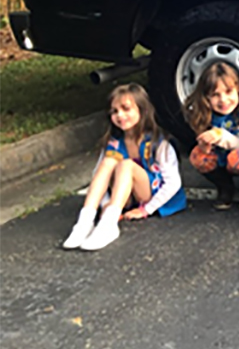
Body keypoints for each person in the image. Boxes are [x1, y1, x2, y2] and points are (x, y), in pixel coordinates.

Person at [62, 84, 185, 251]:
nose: (120, 115)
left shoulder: (159, 142)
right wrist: (105, 203)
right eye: (114, 111)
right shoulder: (114, 142)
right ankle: (85, 221)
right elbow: (98, 176)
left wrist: (146, 210)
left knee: (127, 165)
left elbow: (173, 183)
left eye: (126, 109)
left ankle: (109, 224)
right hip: (123, 198)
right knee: (108, 161)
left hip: (149, 195)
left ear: (142, 110)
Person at [184, 61, 239, 210]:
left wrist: (220, 136)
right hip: (222, 150)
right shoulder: (201, 111)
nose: (223, 100)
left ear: (238, 89)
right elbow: (201, 136)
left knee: (236, 159)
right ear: (206, 97)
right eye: (215, 95)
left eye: (228, 92)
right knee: (199, 157)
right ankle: (225, 186)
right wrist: (205, 145)